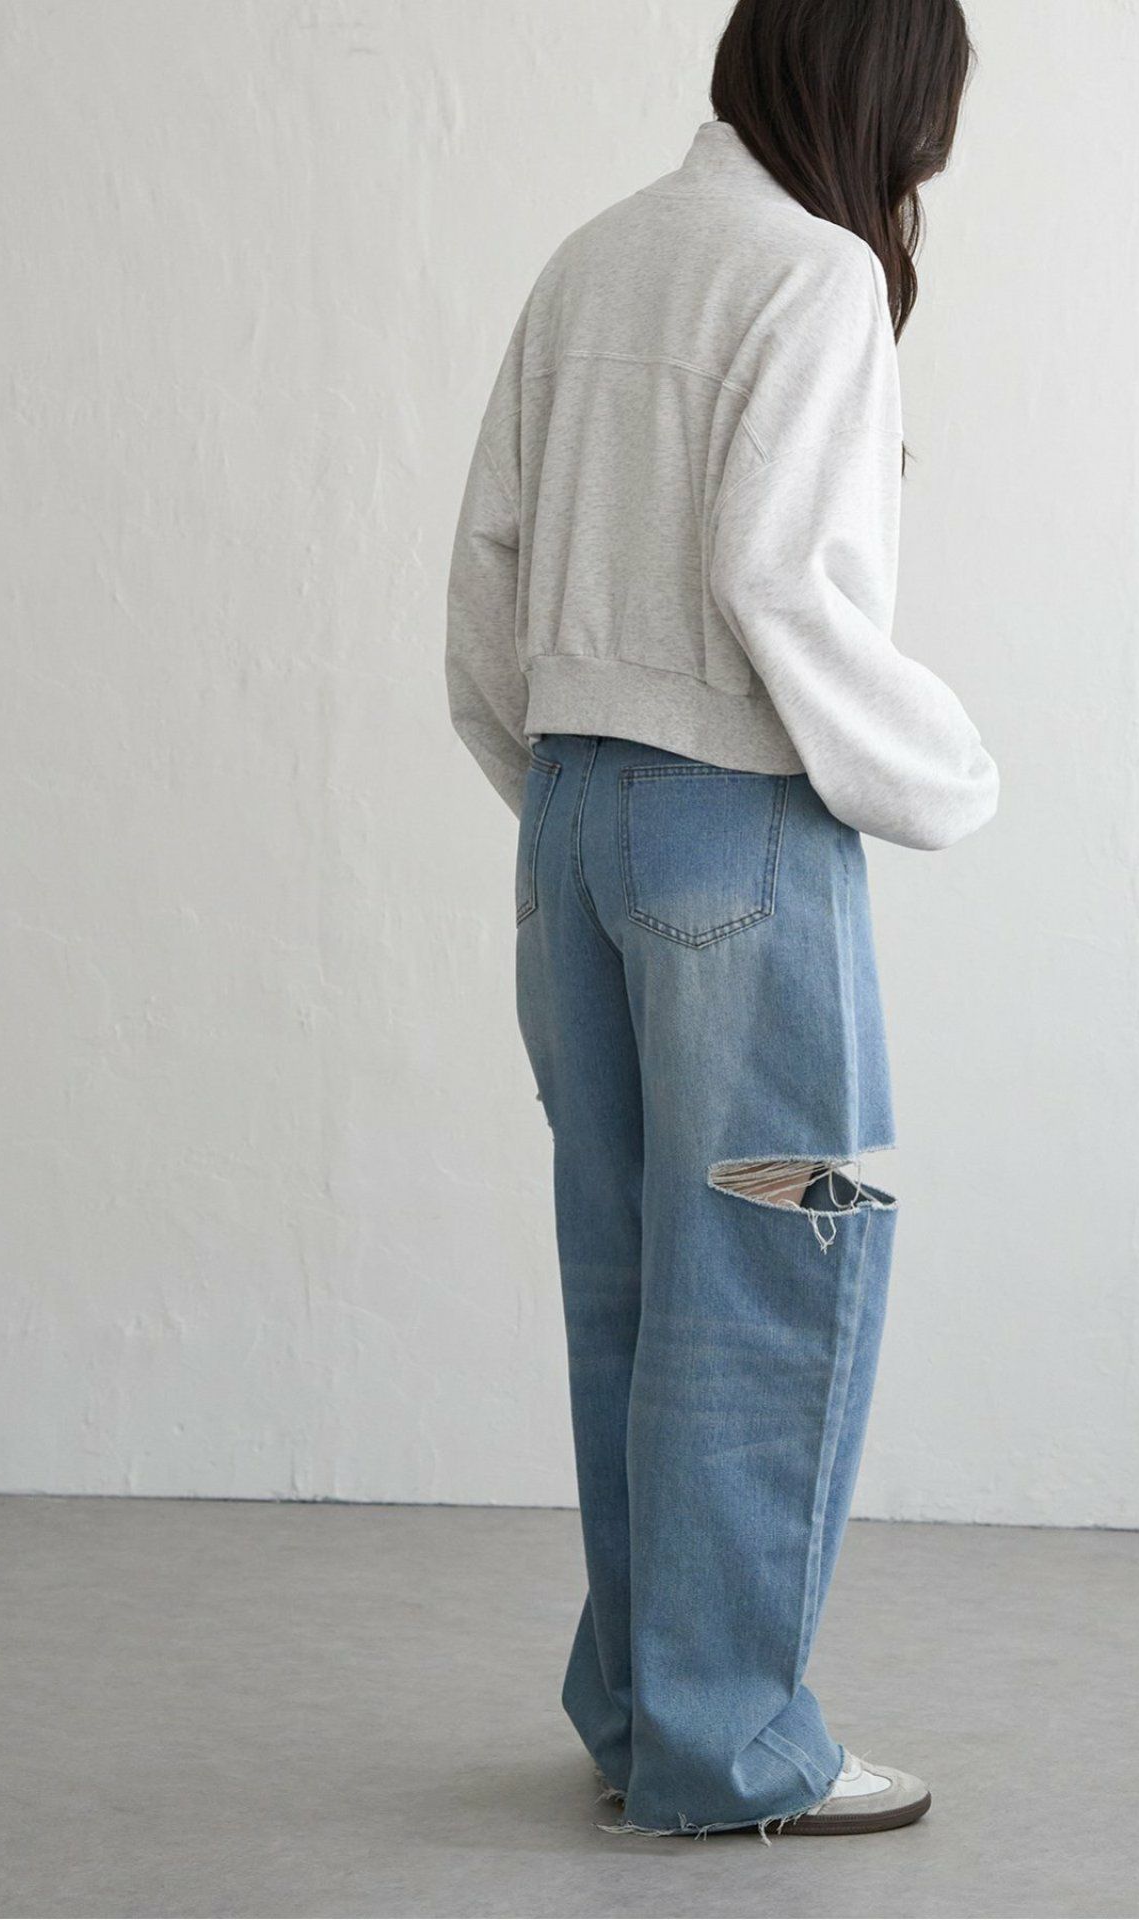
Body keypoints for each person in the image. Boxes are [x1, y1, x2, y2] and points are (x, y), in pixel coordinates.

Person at [446, 0, 997, 1840]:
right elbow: (785, 583)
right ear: (883, 89)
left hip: (575, 828)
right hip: (737, 836)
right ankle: (731, 1741)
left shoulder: (594, 257)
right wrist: (946, 776)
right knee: (782, 1258)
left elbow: (485, 589)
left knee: (630, 1276)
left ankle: (642, 1713)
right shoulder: (811, 273)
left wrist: (575, 802)